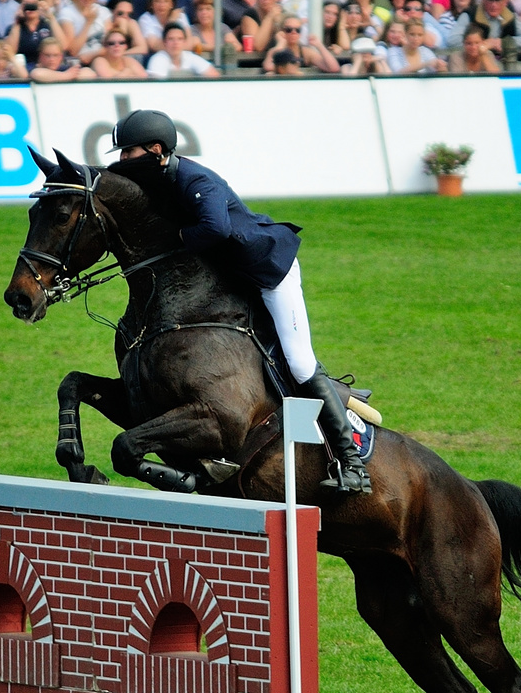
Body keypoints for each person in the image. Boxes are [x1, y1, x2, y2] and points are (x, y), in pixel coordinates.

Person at [108, 109, 371, 493]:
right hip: (232, 274)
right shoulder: (162, 177)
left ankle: (351, 465)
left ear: (156, 149)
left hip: (269, 272)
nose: (122, 161)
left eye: (127, 153)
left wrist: (177, 239)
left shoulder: (195, 179)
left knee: (298, 362)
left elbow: (216, 227)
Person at [147, 20, 218, 74]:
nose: (176, 43)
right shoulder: (157, 59)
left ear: (184, 42)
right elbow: (158, 87)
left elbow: (213, 74)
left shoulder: (189, 56)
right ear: (165, 42)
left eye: (179, 39)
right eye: (171, 39)